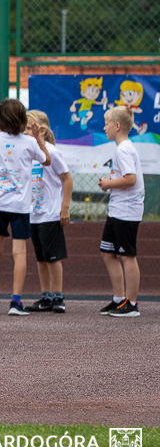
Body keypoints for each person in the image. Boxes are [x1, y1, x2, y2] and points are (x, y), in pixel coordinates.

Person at [0, 98, 51, 316]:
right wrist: (39, 138)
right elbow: (46, 160)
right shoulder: (29, 143)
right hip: (21, 205)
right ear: (23, 120)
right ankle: (16, 301)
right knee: (19, 252)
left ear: (0, 120)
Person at [98, 106, 144, 318]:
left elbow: (130, 178)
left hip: (127, 212)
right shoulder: (122, 148)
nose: (104, 127)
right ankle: (119, 299)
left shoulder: (124, 149)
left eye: (107, 123)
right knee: (108, 252)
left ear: (117, 126)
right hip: (117, 210)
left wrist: (108, 183)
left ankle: (132, 304)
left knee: (127, 256)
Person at [24, 110, 72, 314]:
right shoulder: (27, 153)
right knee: (41, 258)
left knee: (53, 258)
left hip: (50, 213)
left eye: (28, 128)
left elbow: (67, 179)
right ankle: (46, 296)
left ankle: (58, 296)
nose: (24, 132)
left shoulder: (52, 152)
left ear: (41, 130)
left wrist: (65, 207)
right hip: (33, 215)